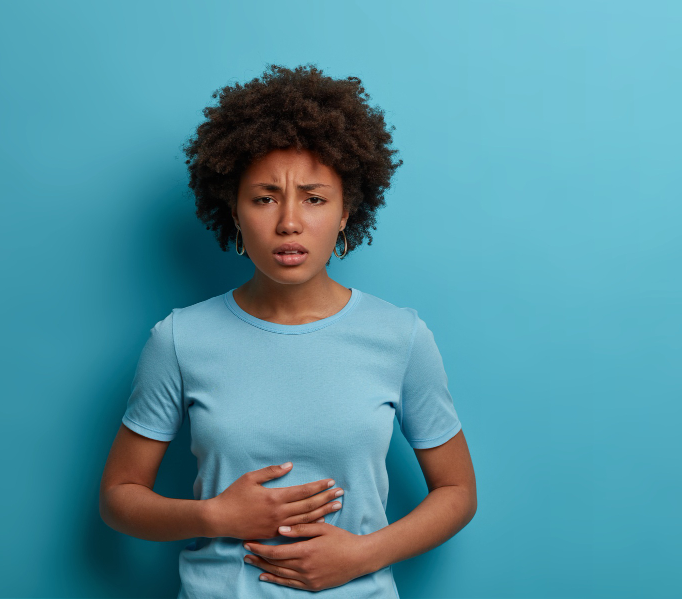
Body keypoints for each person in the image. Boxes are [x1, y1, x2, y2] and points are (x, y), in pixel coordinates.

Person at [99, 63, 477, 597]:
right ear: (233, 209)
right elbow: (119, 495)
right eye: (265, 197)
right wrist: (216, 516)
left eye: (315, 198)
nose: (289, 222)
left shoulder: (401, 337)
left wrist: (361, 555)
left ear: (347, 210)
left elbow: (458, 490)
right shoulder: (180, 340)